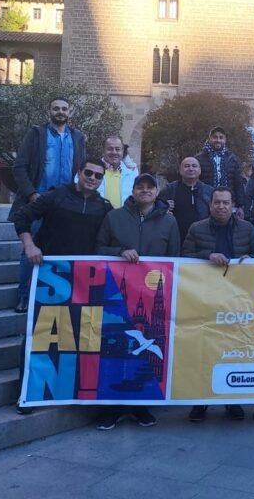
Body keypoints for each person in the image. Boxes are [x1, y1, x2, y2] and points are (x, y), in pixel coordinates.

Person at [13, 156, 113, 414]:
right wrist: (29, 245)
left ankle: (73, 390)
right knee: (40, 335)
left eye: (98, 176)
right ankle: (28, 393)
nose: (92, 178)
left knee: (82, 336)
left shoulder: (104, 207)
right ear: (79, 172)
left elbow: (114, 236)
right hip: (51, 277)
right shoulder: (55, 196)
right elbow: (22, 217)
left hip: (85, 281)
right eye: (88, 173)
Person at [93, 172, 180, 430]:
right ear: (132, 191)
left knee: (147, 355)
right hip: (118, 297)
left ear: (157, 192)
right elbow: (98, 249)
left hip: (152, 299)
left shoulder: (169, 222)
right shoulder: (114, 217)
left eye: (150, 187)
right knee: (117, 350)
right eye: (139, 187)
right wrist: (119, 252)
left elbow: (175, 258)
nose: (145, 191)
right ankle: (112, 408)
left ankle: (141, 406)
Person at [181, 186, 254, 423]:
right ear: (210, 205)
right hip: (205, 298)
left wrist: (251, 259)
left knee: (233, 349)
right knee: (203, 351)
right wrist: (207, 255)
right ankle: (200, 401)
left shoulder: (247, 228)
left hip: (236, 299)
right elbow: (184, 257)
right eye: (217, 202)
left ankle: (231, 400)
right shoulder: (196, 228)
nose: (221, 207)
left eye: (226, 203)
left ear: (233, 205)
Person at [10, 96, 86, 314]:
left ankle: (56, 295)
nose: (60, 112)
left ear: (70, 112)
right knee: (31, 249)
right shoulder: (37, 134)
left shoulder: (78, 137)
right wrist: (32, 194)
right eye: (56, 108)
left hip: (66, 203)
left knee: (61, 250)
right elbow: (19, 167)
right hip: (40, 201)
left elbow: (81, 169)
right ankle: (24, 295)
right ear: (49, 111)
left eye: (64, 109)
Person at [159, 156, 213, 241]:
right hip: (176, 237)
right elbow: (155, 208)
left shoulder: (209, 191)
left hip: (202, 238)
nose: (191, 169)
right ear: (180, 170)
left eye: (194, 166)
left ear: (200, 170)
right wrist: (164, 206)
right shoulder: (170, 189)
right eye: (187, 166)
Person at [195, 127, 247, 212]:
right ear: (209, 139)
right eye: (215, 137)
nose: (218, 140)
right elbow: (195, 182)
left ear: (225, 140)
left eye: (221, 137)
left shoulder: (232, 159)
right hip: (205, 204)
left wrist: (240, 206)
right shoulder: (199, 159)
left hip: (227, 204)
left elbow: (238, 183)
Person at [97, 135, 139, 208]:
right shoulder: (90, 172)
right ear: (103, 150)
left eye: (117, 149)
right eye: (110, 149)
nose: (114, 152)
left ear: (122, 151)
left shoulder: (133, 176)